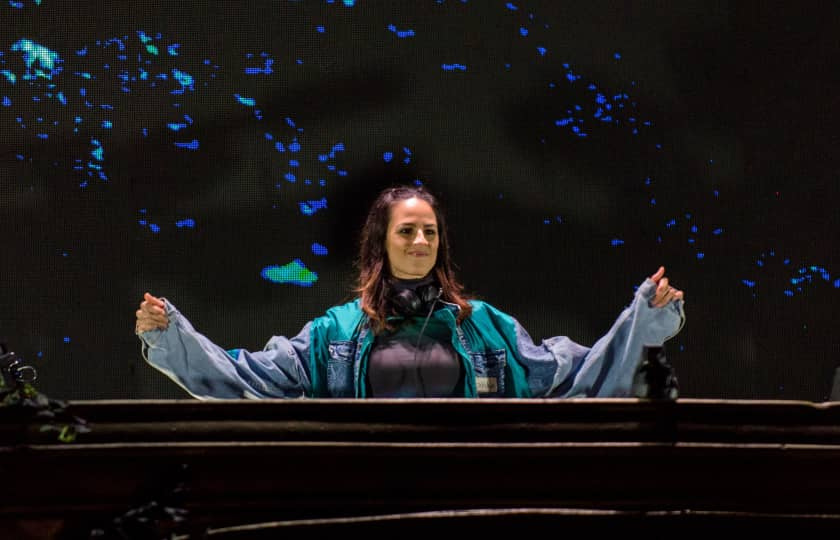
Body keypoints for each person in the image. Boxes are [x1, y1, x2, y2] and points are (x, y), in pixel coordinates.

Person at [135, 185, 685, 399]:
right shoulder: (334, 331)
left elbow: (578, 374)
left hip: (469, 496)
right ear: (382, 241)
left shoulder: (484, 325)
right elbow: (250, 377)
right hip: (368, 497)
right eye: (406, 231)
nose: (420, 241)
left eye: (430, 231)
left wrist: (646, 318)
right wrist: (172, 336)